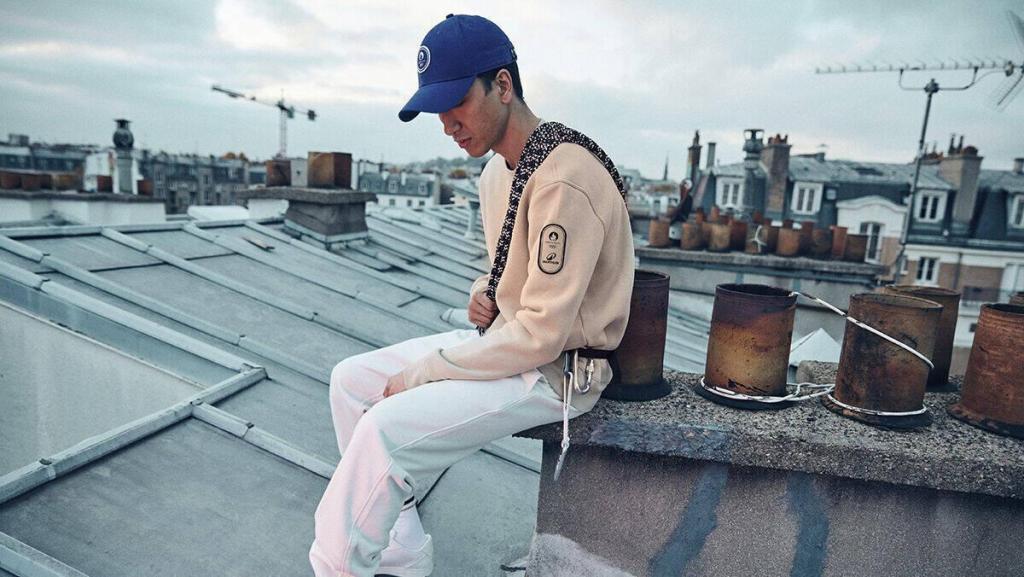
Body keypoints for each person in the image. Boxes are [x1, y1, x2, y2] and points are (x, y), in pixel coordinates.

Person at [309, 14, 634, 577]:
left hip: (559, 371)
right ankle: (402, 552)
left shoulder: (565, 176)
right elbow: (514, 272)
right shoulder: (495, 174)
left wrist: (427, 370)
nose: (447, 125)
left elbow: (542, 333)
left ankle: (337, 568)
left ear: (502, 85)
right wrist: (485, 290)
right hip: (509, 343)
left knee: (384, 432)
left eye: (456, 103)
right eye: (437, 111)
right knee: (351, 383)